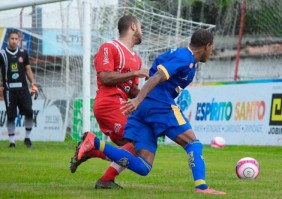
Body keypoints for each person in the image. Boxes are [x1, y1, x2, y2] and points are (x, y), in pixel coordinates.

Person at [74, 29, 226, 194]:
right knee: (192, 143)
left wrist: (141, 100)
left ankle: (94, 143)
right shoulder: (184, 57)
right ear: (207, 46)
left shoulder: (186, 58)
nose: (211, 52)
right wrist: (138, 100)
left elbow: (155, 71)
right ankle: (202, 187)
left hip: (147, 107)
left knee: (143, 166)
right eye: (212, 48)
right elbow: (157, 76)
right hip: (159, 104)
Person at [69, 15, 149, 189]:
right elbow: (105, 77)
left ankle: (92, 151)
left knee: (130, 148)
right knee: (141, 140)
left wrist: (153, 89)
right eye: (141, 28)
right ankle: (105, 178)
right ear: (133, 27)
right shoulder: (109, 47)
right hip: (109, 102)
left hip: (121, 104)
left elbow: (131, 91)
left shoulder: (136, 59)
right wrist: (135, 73)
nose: (142, 32)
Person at [0, 30, 38, 148]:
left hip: (23, 89)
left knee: (29, 112)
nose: (14, 41)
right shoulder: (2, 54)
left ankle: (27, 138)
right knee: (11, 115)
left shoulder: (23, 53)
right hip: (9, 90)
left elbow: (27, 69)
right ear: (8, 40)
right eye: (12, 39)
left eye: (16, 39)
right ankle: (12, 141)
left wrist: (33, 83)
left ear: (19, 40)